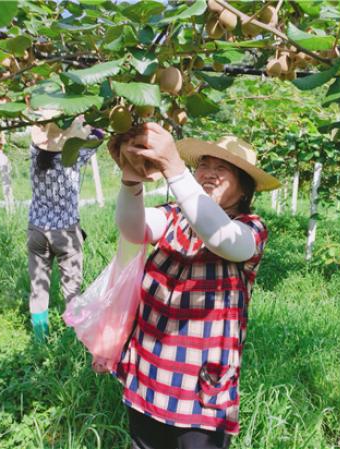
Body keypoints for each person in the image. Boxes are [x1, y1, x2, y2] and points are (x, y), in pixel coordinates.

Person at [102, 123, 280, 449]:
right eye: (204, 166)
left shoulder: (250, 229)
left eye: (222, 169)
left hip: (200, 388)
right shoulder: (174, 217)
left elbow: (222, 238)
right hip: (150, 372)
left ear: (244, 191)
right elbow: (133, 228)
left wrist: (173, 167)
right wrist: (131, 179)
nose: (209, 173)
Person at [27, 112, 99, 342]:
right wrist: (86, 121)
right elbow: (99, 135)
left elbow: (38, 139)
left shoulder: (34, 154)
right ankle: (74, 336)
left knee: (39, 286)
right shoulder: (74, 156)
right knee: (72, 288)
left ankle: (40, 340)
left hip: (36, 229)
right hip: (66, 231)